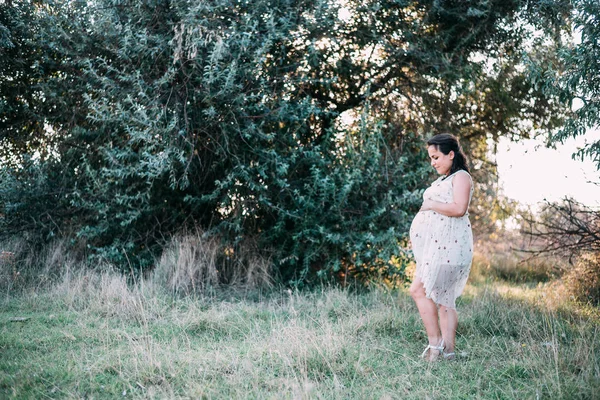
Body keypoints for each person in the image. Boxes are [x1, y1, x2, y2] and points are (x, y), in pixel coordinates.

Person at [409, 133, 474, 361]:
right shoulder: (443, 180)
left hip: (450, 248)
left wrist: (430, 205)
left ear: (451, 154)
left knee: (418, 290)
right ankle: (449, 352)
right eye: (431, 158)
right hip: (439, 248)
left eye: (436, 157)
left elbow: (459, 208)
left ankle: (435, 345)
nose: (433, 162)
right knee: (445, 300)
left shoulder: (461, 177)